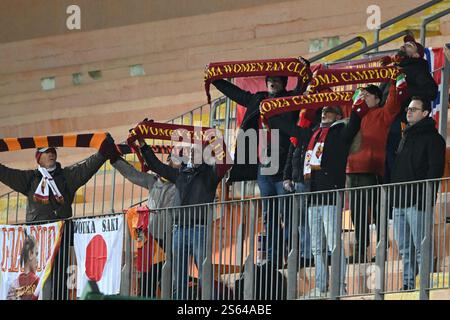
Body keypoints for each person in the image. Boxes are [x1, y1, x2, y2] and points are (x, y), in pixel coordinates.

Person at [212, 58, 312, 268]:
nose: (272, 83)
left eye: (277, 80)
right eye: (270, 80)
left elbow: (304, 85)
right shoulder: (258, 99)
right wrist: (215, 79)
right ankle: (275, 260)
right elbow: (237, 94)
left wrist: (304, 69)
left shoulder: (290, 99)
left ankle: (292, 257)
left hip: (283, 164)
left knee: (288, 214)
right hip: (264, 165)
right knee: (270, 216)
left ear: (284, 84)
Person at [0, 134, 120, 300]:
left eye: (53, 151)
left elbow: (87, 168)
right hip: (37, 239)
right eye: (46, 151)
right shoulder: (30, 179)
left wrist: (102, 153)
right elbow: (4, 173)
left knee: (59, 280)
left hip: (61, 238)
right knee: (36, 280)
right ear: (38, 158)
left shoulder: (67, 177)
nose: (51, 154)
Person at [137, 136, 232, 299]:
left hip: (199, 230)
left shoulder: (210, 174)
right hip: (178, 231)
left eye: (197, 152)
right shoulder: (180, 173)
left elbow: (227, 163)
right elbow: (156, 166)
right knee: (178, 277)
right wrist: (143, 144)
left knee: (205, 273)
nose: (193, 155)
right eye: (192, 152)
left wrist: (217, 140)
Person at [301, 103, 369, 298]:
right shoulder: (313, 135)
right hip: (313, 195)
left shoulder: (340, 134)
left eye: (329, 111)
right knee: (316, 247)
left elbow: (354, 125)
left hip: (331, 194)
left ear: (338, 116)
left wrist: (358, 106)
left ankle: (339, 285)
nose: (325, 113)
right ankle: (322, 286)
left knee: (333, 244)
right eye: (323, 111)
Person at [346, 82, 406, 263]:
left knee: (375, 211)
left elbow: (394, 103)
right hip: (351, 171)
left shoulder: (382, 113)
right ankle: (360, 251)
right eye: (361, 96)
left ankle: (381, 249)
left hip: (371, 170)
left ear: (378, 99)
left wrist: (395, 81)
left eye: (367, 96)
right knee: (357, 214)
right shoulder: (356, 117)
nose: (363, 99)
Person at [390, 96, 445, 290]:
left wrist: (426, 199)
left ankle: (425, 285)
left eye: (414, 109)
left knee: (422, 247)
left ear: (425, 113)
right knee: (405, 249)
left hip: (417, 202)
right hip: (399, 202)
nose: (409, 111)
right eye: (408, 108)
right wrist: (392, 201)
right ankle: (408, 284)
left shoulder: (434, 139)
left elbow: (435, 171)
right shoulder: (405, 137)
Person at [113, 153, 177, 297]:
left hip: (169, 239)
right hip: (150, 240)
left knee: (170, 283)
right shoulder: (153, 181)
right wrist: (114, 158)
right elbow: (131, 174)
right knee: (147, 285)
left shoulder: (181, 182)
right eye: (173, 158)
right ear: (166, 161)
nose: (175, 162)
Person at [381, 35, 438, 183]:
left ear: (417, 54)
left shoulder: (418, 68)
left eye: (410, 45)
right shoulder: (395, 69)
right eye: (404, 44)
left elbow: (431, 91)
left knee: (396, 156)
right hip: (386, 120)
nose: (404, 46)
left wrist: (405, 90)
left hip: (399, 119)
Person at [283, 108, 322, 267]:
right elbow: (290, 158)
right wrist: (286, 177)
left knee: (310, 220)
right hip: (298, 183)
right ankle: (306, 254)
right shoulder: (297, 138)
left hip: (311, 183)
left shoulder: (318, 135)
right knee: (301, 220)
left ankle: (312, 254)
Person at [7, 232, 39, 300]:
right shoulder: (37, 282)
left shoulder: (13, 284)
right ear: (30, 254)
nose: (38, 260)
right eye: (36, 254)